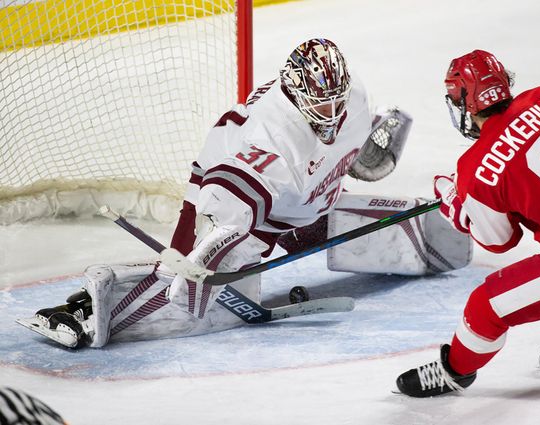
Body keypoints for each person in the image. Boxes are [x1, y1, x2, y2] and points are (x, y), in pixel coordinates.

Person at [21, 38, 470, 349]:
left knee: (306, 217)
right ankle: (90, 314)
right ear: (295, 94)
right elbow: (225, 202)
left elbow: (347, 150)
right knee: (193, 265)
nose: (331, 113)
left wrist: (372, 158)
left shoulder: (351, 97)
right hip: (236, 195)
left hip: (303, 204)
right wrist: (214, 253)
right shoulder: (268, 135)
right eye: (321, 104)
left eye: (337, 100)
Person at [396, 49, 540, 397]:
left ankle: (454, 373)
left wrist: (460, 208)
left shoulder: (475, 171)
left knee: (486, 306)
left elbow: (500, 240)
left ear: (465, 104)